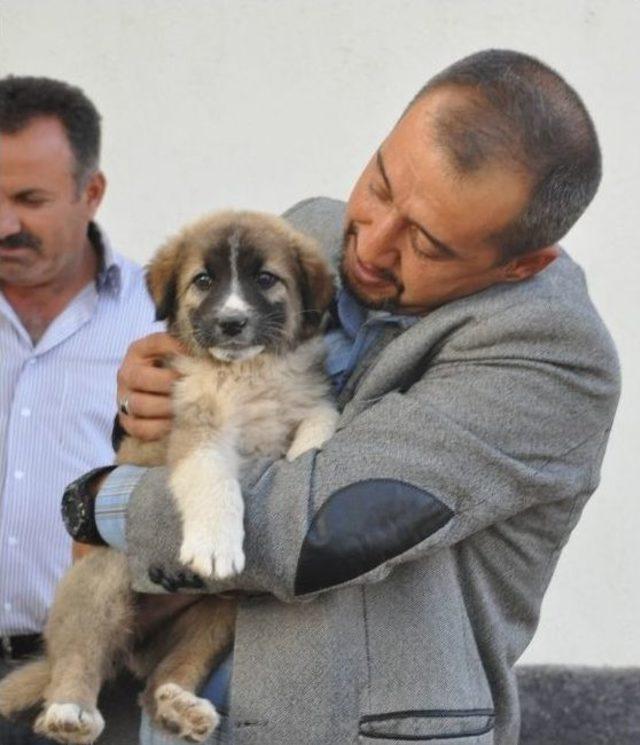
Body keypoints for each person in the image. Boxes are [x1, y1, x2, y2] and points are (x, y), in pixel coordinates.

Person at [65, 50, 620, 745]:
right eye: (382, 184)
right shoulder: (312, 235)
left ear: (521, 262)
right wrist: (147, 401)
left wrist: (102, 502)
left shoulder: (552, 355)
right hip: (167, 717)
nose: (372, 245)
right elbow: (197, 388)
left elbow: (320, 528)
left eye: (426, 241)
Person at [0, 76, 161, 743]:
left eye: (28, 200)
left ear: (90, 193)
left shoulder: (156, 317)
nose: (4, 223)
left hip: (96, 682)